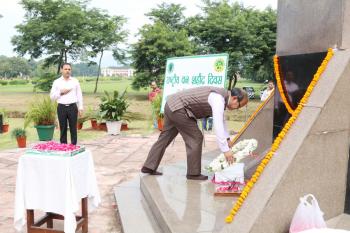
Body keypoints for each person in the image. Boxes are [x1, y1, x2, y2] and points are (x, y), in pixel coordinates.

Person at [141, 86, 248, 180]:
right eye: (239, 106)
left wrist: (227, 139)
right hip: (179, 109)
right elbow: (218, 125)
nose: (237, 109)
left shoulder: (221, 97)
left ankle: (149, 166)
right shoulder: (218, 99)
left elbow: (222, 120)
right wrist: (225, 150)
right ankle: (193, 173)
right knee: (196, 137)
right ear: (234, 98)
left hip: (171, 105)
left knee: (165, 137)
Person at [50, 63, 83, 145]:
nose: (67, 71)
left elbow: (79, 95)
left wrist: (80, 107)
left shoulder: (75, 81)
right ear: (61, 70)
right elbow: (52, 97)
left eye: (69, 69)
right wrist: (60, 92)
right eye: (65, 69)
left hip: (73, 107)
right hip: (61, 107)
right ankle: (63, 146)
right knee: (63, 128)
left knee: (73, 128)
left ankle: (73, 146)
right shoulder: (56, 82)